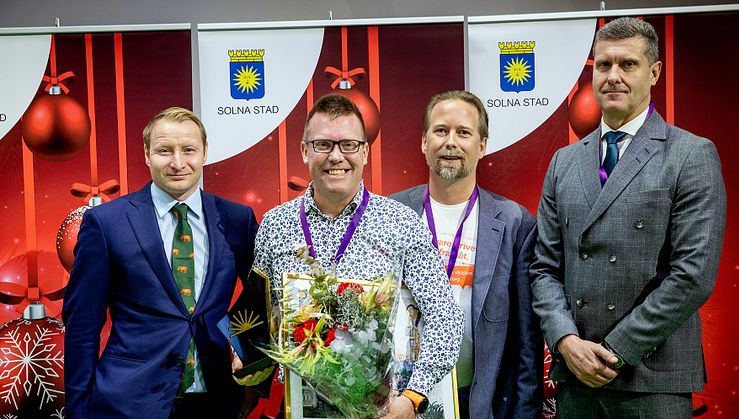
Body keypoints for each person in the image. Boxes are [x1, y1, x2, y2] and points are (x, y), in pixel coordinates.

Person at [530, 17, 726, 418]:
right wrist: (565, 340)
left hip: (651, 380)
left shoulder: (690, 154)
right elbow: (544, 268)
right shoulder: (564, 162)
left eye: (627, 65)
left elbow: (692, 275)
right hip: (575, 379)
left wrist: (617, 350)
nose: (613, 76)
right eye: (603, 65)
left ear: (654, 72)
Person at [251, 94, 464, 418]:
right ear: (304, 150)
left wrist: (412, 396)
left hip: (383, 411)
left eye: (348, 144)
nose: (336, 156)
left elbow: (444, 317)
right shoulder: (275, 225)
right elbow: (259, 316)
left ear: (365, 151)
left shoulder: (401, 223)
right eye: (323, 144)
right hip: (298, 408)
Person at [63, 107, 260, 418]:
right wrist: (77, 410)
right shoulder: (106, 223)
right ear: (146, 154)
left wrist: (252, 369)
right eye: (165, 150)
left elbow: (260, 300)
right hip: (128, 403)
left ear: (205, 152)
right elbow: (82, 325)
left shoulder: (237, 219)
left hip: (216, 401)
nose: (178, 162)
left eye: (189, 150)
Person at [391, 90, 543, 418]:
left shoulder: (515, 223)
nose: (451, 142)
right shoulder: (391, 213)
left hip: (480, 400)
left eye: (464, 132)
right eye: (441, 130)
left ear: (482, 145)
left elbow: (527, 343)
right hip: (400, 399)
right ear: (423, 141)